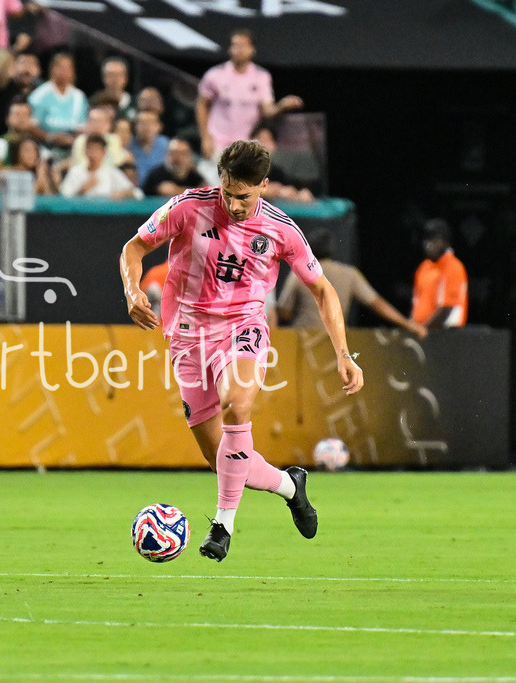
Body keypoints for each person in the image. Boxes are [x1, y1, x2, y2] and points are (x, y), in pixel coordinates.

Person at [119, 139, 363, 562]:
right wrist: (132, 290)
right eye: (228, 193)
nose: (233, 204)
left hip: (243, 326)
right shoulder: (187, 207)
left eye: (243, 197)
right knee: (223, 460)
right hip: (188, 335)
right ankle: (290, 485)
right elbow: (133, 248)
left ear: (264, 186)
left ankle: (223, 525)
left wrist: (343, 353)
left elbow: (323, 291)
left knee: (237, 404)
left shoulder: (281, 229)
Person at [278, 229, 426, 337]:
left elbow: (284, 312)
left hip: (304, 341)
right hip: (334, 342)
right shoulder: (349, 274)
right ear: (331, 249)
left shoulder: (299, 273)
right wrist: (407, 324)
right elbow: (377, 303)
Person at [196, 28, 303, 161]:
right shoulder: (214, 75)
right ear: (229, 49)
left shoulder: (261, 77)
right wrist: (205, 137)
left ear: (252, 49)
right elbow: (201, 105)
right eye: (236, 45)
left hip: (246, 146)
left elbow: (267, 111)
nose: (240, 50)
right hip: (217, 143)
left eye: (244, 46)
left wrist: (282, 105)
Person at [411, 219, 468, 329]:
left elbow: (447, 308)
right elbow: (416, 305)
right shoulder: (423, 267)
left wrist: (423, 331)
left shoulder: (454, 267)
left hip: (447, 333)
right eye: (426, 240)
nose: (428, 244)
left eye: (434, 240)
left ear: (446, 242)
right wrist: (411, 327)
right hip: (422, 332)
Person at [58, 134, 141, 200]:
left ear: (104, 152)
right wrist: (82, 191)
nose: (93, 154)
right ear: (85, 151)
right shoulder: (75, 171)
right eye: (90, 149)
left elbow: (138, 194)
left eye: (97, 150)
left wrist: (123, 193)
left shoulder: (111, 172)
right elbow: (64, 198)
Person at [141, 137, 206, 197]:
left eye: (183, 153)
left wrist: (177, 190)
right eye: (174, 153)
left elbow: (204, 191)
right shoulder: (156, 175)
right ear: (166, 155)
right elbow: (167, 191)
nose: (178, 158)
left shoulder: (195, 176)